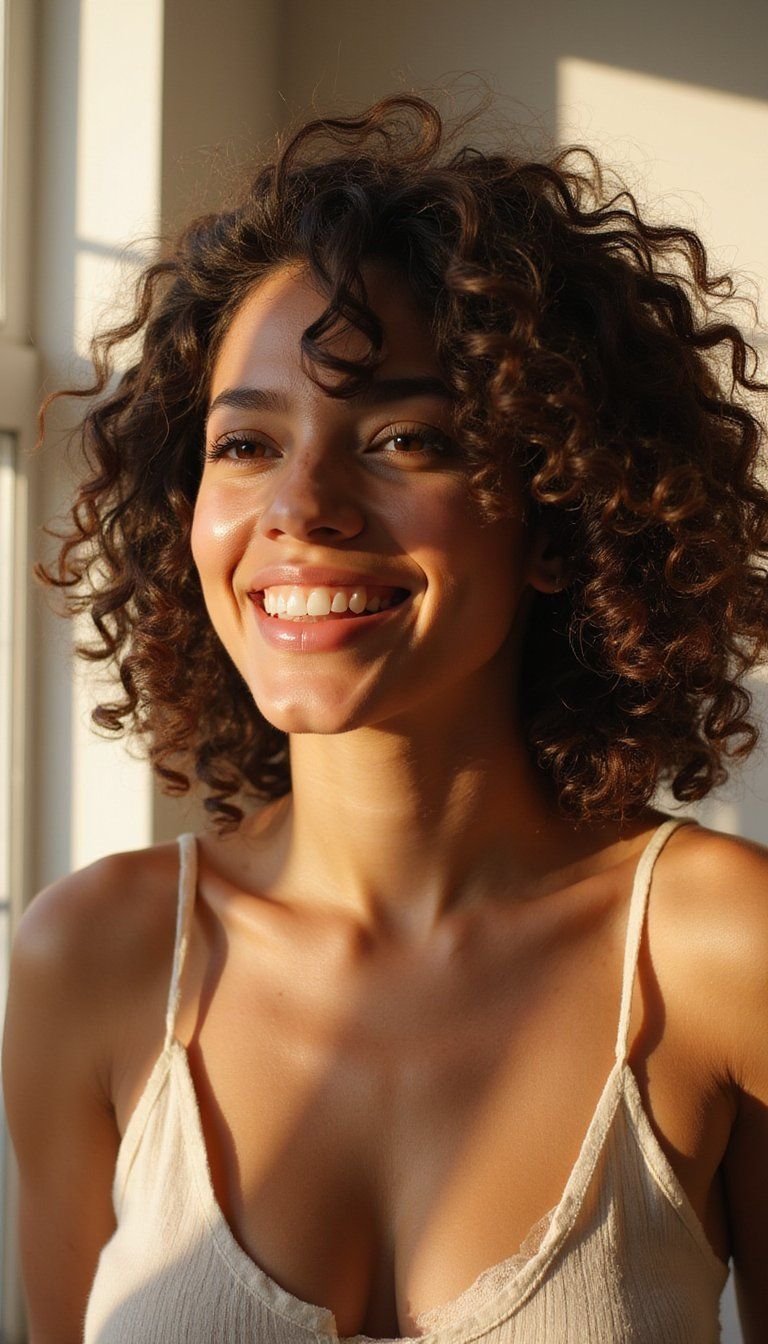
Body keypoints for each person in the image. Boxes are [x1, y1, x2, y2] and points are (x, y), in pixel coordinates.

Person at [3, 92, 768, 1344]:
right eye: (245, 446)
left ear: (559, 515)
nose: (300, 509)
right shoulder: (91, 959)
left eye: (406, 436)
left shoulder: (721, 954)